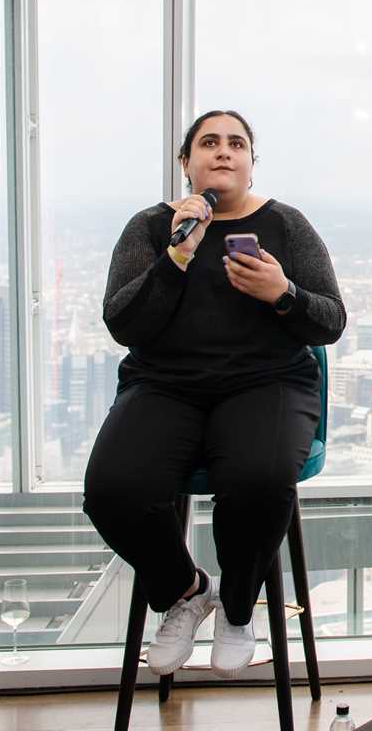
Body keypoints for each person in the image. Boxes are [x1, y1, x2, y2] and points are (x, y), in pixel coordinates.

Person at [83, 110, 345, 679]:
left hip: (268, 380)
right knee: (111, 490)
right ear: (186, 164)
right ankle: (184, 591)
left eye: (236, 143)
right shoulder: (151, 228)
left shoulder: (287, 224)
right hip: (165, 384)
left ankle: (235, 607)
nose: (223, 152)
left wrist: (282, 293)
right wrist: (177, 256)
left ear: (252, 162)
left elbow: (329, 322)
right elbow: (124, 324)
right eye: (208, 143)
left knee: (255, 478)